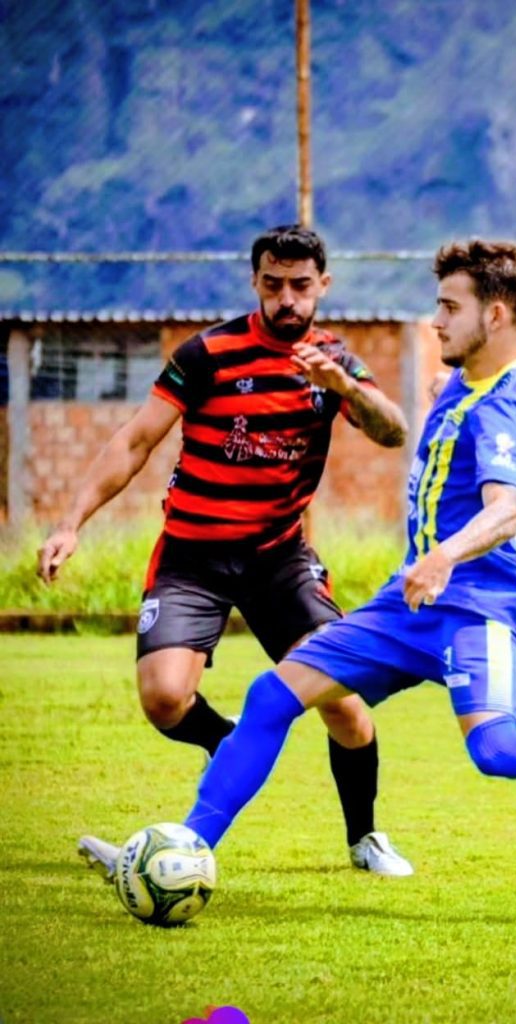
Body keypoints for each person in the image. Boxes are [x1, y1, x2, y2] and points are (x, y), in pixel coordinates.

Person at [86, 238, 516, 871]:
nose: (435, 321)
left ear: (494, 316)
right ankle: (185, 850)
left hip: (472, 609)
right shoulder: (464, 384)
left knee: (496, 750)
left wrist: (443, 557)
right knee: (272, 696)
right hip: (406, 605)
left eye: (448, 307)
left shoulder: (506, 404)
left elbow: (506, 509)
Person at [41, 225, 414, 877]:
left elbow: (392, 431)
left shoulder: (332, 361)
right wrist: (71, 523)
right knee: (163, 698)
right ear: (255, 282)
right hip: (192, 558)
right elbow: (135, 442)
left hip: (280, 561)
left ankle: (365, 837)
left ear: (323, 285)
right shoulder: (207, 353)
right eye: (273, 284)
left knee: (345, 706)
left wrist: (346, 388)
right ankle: (230, 746)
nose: (286, 298)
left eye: (300, 285)